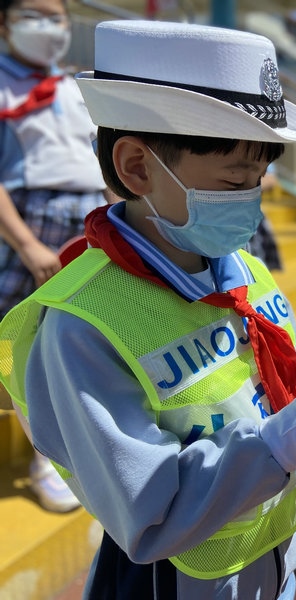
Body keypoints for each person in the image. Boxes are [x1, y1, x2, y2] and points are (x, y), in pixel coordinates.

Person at [0, 19, 296, 599]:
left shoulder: (244, 269)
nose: (252, 201)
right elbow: (152, 511)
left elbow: (257, 383)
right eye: (234, 181)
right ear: (137, 167)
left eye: (260, 178)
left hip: (273, 560)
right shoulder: (84, 325)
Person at [0, 0, 116, 512]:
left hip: (90, 220)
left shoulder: (74, 86)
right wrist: (26, 244)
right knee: (23, 346)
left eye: (58, 16)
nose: (48, 26)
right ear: (5, 23)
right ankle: (46, 456)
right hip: (28, 223)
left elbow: (102, 163)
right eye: (34, 13)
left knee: (88, 339)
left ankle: (90, 445)